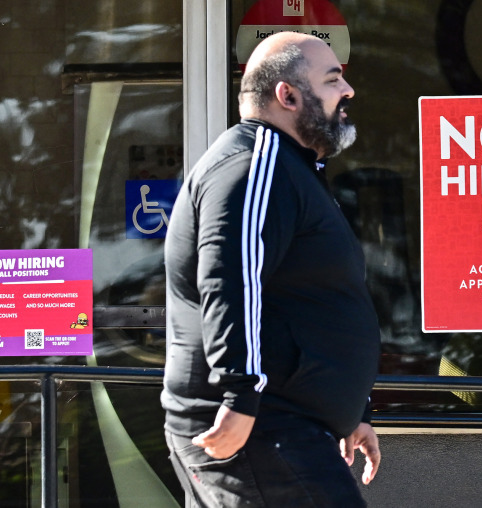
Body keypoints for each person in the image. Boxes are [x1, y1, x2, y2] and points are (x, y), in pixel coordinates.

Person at [160, 32, 382, 507]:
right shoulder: (254, 164)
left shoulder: (290, 167)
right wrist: (240, 396)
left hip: (281, 425)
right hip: (260, 428)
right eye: (333, 79)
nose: (348, 91)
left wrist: (352, 413)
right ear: (288, 95)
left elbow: (311, 299)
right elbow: (231, 280)